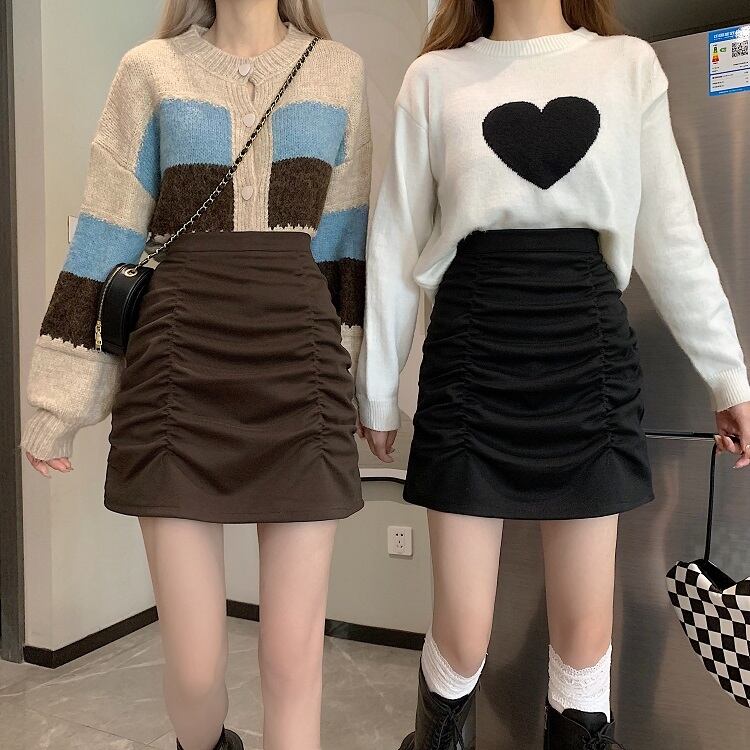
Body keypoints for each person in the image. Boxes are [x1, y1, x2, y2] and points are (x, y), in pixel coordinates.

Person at [356, 0, 750, 748]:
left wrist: (728, 375)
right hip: (472, 354)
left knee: (585, 641)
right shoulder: (433, 78)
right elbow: (396, 238)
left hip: (586, 355)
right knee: (463, 638)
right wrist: (378, 390)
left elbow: (670, 233)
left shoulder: (626, 66)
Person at [21, 1, 371, 748]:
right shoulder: (150, 70)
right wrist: (59, 401)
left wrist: (364, 391)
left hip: (299, 369)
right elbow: (106, 233)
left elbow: (345, 246)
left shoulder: (338, 71)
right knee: (193, 671)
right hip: (177, 365)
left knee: (293, 663)